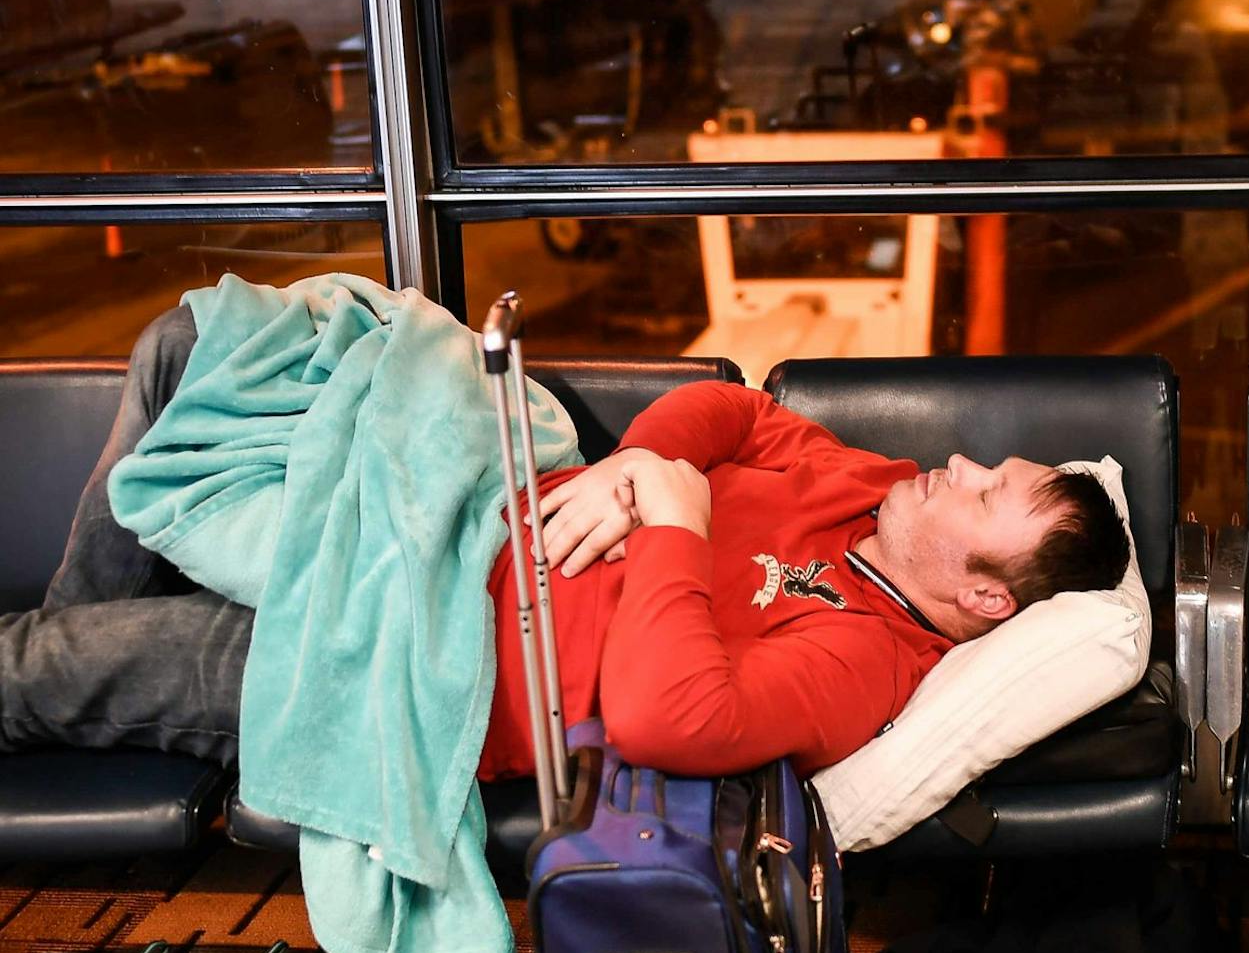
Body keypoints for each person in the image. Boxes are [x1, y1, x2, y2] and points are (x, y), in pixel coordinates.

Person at [0, 304, 1129, 783]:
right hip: (438, 514)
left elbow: (667, 720)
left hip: (396, 662)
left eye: (987, 496)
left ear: (984, 601)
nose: (964, 466)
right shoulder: (874, 489)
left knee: (36, 669)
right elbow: (728, 412)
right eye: (994, 466)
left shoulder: (866, 664)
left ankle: (63, 657)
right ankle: (76, 633)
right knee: (187, 346)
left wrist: (677, 525)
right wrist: (643, 462)